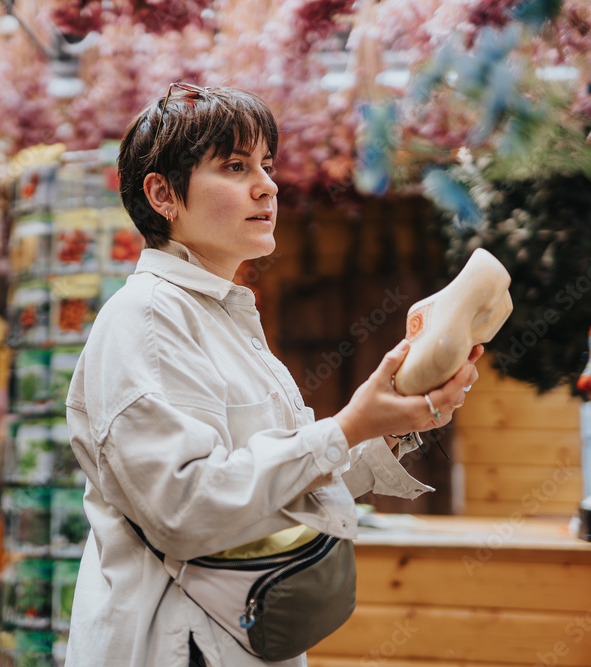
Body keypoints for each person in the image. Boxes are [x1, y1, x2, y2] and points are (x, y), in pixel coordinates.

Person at [63, 84, 482, 667]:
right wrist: (346, 427)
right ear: (162, 194)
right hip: (177, 647)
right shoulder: (148, 316)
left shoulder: (221, 315)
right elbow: (185, 508)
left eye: (267, 165)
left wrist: (393, 418)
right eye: (235, 166)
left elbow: (285, 486)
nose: (268, 186)